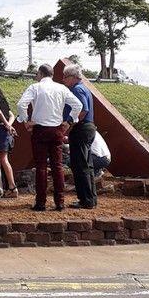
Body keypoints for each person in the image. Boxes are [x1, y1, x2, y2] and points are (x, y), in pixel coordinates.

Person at [16, 64, 82, 212]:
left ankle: (41, 202)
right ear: (52, 74)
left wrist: (26, 121)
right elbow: (78, 105)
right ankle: (60, 202)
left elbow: (21, 105)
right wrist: (69, 121)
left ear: (40, 73)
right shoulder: (61, 88)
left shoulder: (35, 87)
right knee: (57, 166)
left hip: (40, 129)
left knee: (41, 166)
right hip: (57, 129)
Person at [62, 63, 98, 209]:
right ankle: (90, 198)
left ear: (73, 77)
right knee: (87, 165)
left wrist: (69, 126)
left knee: (80, 166)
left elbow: (82, 110)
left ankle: (85, 200)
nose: (63, 80)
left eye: (65, 77)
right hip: (87, 128)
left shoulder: (77, 89)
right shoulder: (84, 88)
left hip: (80, 129)